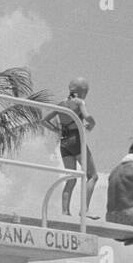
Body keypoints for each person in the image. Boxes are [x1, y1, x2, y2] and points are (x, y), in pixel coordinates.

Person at [53, 78, 98, 216]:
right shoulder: (79, 102)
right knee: (92, 176)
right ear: (82, 92)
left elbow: (43, 121)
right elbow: (87, 116)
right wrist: (91, 124)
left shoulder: (61, 103)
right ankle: (84, 210)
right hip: (76, 140)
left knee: (71, 178)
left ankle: (65, 211)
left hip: (64, 142)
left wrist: (57, 130)